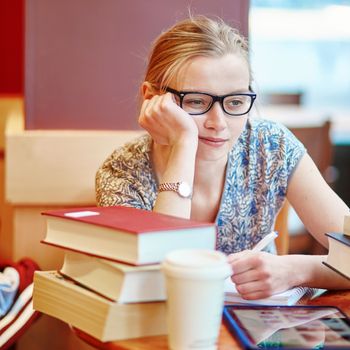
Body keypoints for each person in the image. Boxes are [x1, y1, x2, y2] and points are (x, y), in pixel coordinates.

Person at [96, 15, 350, 299]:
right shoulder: (121, 172)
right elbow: (154, 285)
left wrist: (299, 270)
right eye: (196, 101)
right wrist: (183, 145)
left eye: (236, 102)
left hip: (261, 331)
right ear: (152, 98)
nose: (219, 122)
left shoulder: (271, 146)